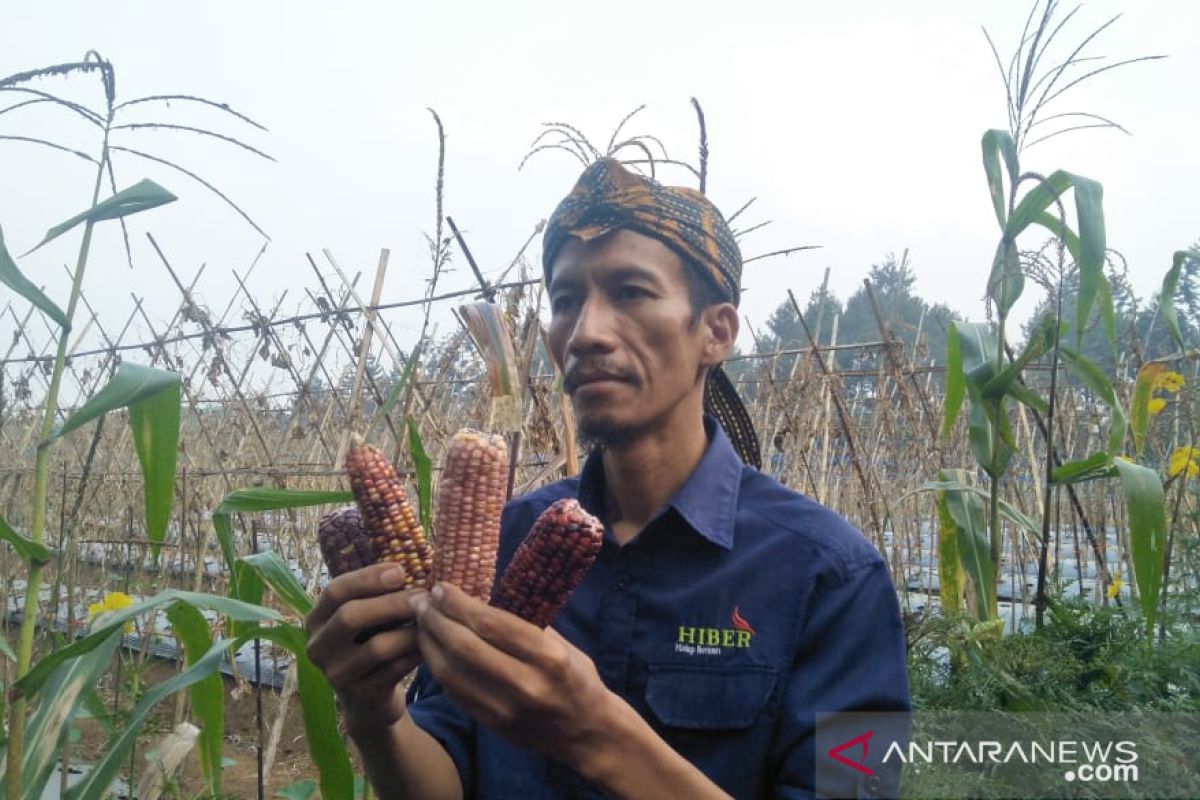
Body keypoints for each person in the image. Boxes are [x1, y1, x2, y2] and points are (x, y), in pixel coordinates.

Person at [305, 158, 911, 799]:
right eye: (566, 301)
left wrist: (595, 734)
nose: (586, 332)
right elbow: (443, 780)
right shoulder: (506, 539)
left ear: (716, 332)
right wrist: (375, 713)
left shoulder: (837, 578)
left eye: (631, 292)